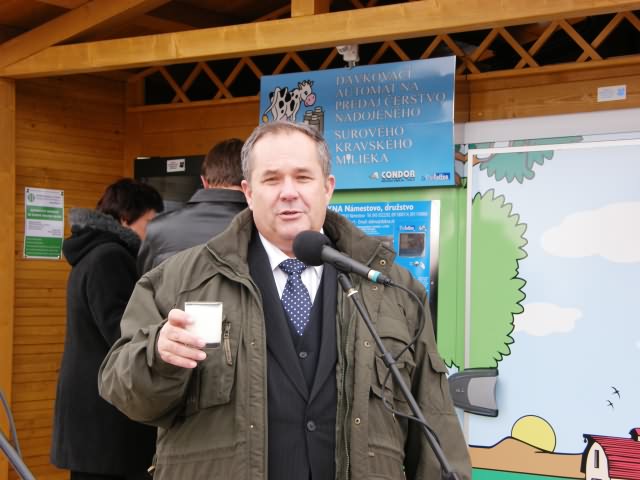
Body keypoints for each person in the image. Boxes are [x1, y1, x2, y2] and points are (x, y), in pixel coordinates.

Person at [99, 122, 471, 480]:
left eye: (303, 177)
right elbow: (125, 392)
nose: (288, 192)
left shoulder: (391, 287)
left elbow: (433, 417)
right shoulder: (180, 281)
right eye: (272, 179)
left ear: (327, 188)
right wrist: (158, 356)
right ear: (248, 192)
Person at [51, 178, 164, 480]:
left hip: (91, 412)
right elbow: (122, 332)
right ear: (126, 218)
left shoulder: (92, 253)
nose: (152, 233)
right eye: (149, 222)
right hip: (107, 415)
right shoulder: (110, 257)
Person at [137, 138, 247, 274]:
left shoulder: (157, 229)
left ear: (204, 181)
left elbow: (145, 283)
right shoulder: (262, 228)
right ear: (249, 181)